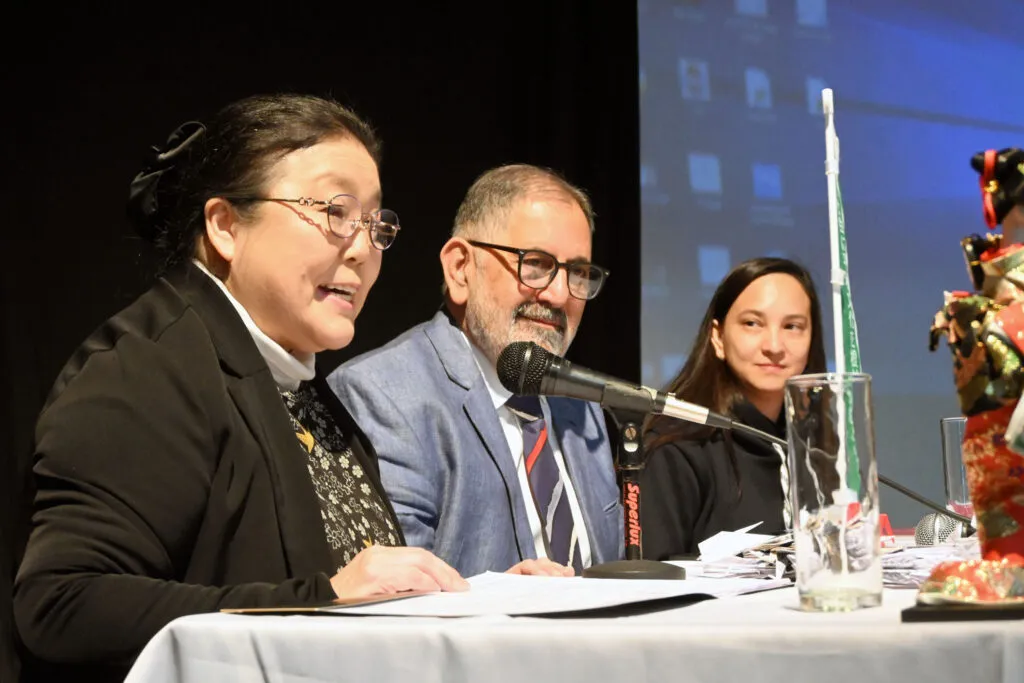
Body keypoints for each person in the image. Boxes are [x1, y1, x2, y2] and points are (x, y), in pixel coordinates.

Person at [13, 94, 470, 682]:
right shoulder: (145, 369)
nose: (362, 248)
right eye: (336, 212)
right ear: (226, 226)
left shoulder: (300, 386)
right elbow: (61, 604)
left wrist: (485, 603)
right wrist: (320, 600)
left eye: (374, 224)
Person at [328, 164, 623, 577]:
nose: (558, 295)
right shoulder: (382, 395)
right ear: (460, 268)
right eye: (535, 264)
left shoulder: (581, 404)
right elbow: (392, 600)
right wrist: (501, 598)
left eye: (577, 273)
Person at [639, 257, 826, 559]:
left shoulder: (817, 447)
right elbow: (654, 576)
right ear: (718, 336)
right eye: (753, 323)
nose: (775, 345)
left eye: (793, 326)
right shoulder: (677, 445)